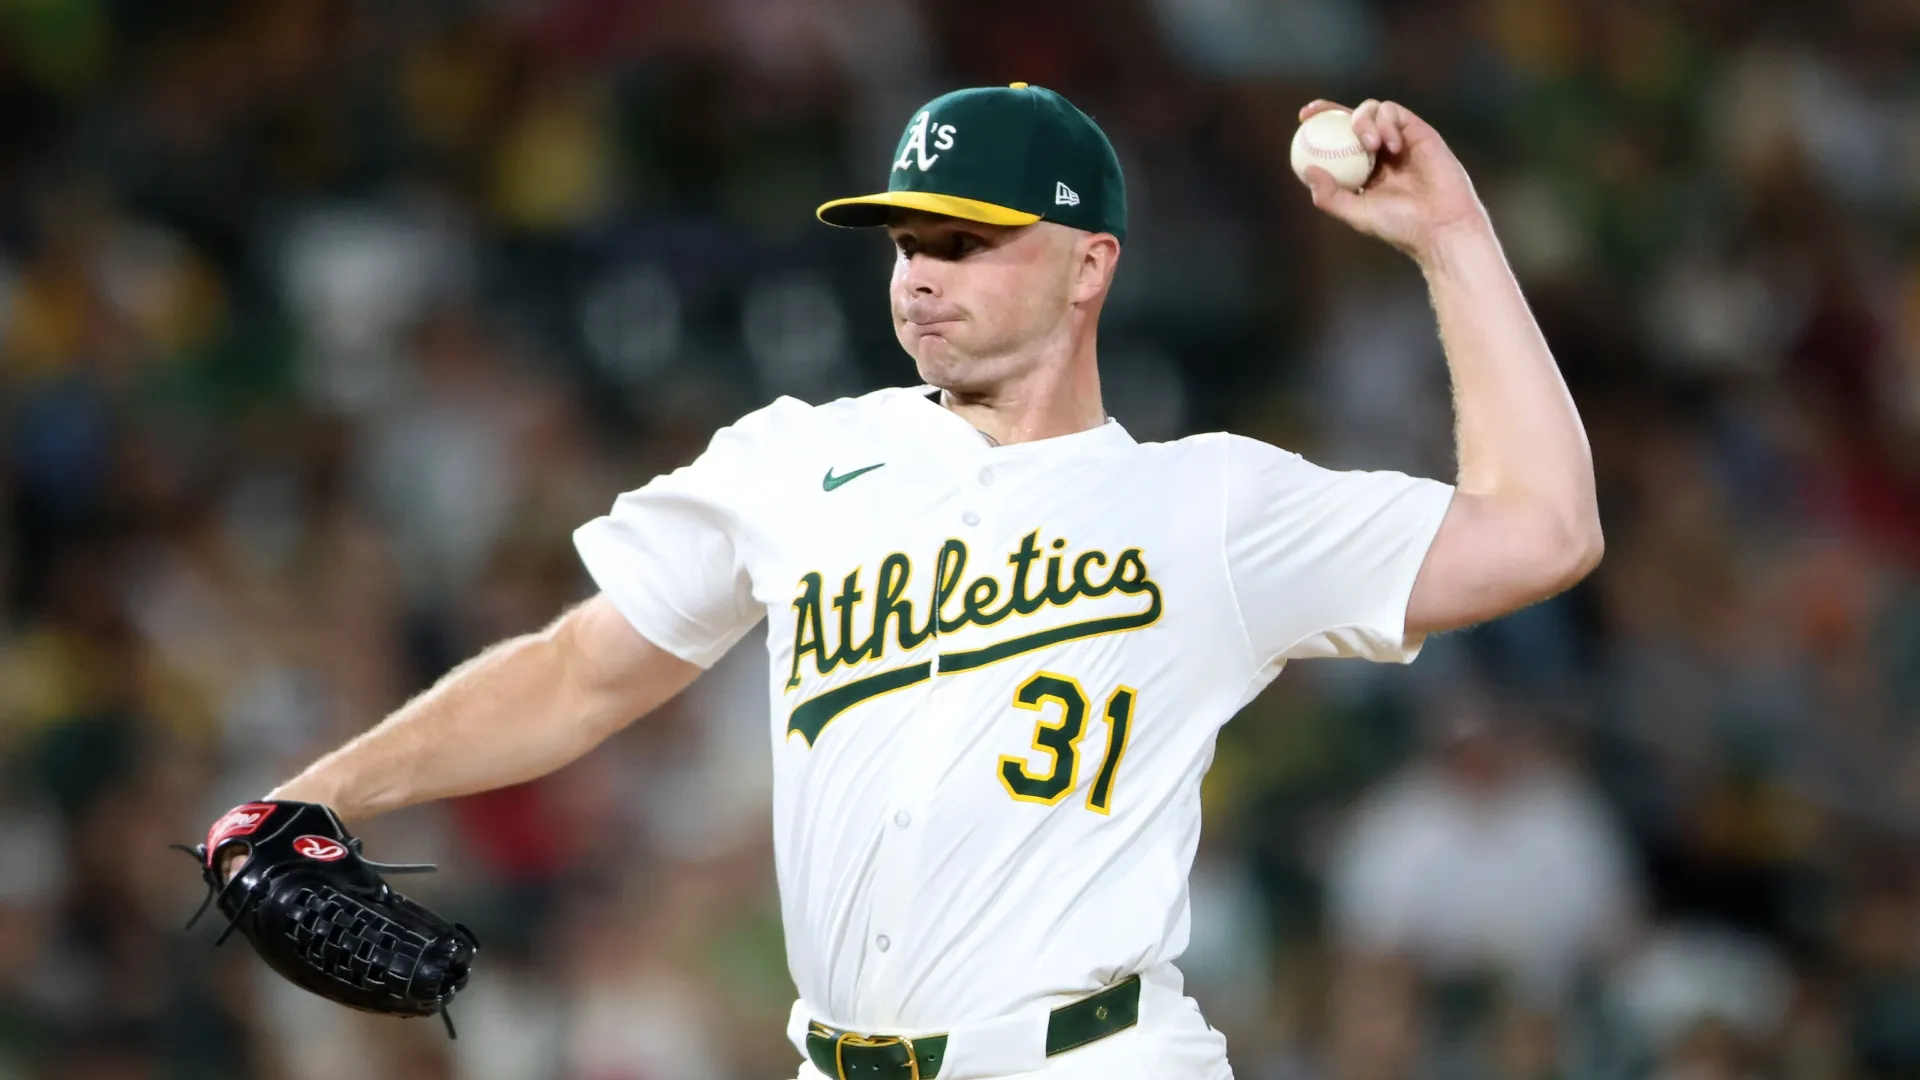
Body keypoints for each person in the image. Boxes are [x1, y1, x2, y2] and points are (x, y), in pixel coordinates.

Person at [237, 84, 1601, 1079]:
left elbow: (1543, 531)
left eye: (966, 242)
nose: (922, 278)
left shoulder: (1210, 506)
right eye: (907, 243)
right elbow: (577, 672)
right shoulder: (794, 462)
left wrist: (1452, 237)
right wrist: (319, 794)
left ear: (1090, 265)